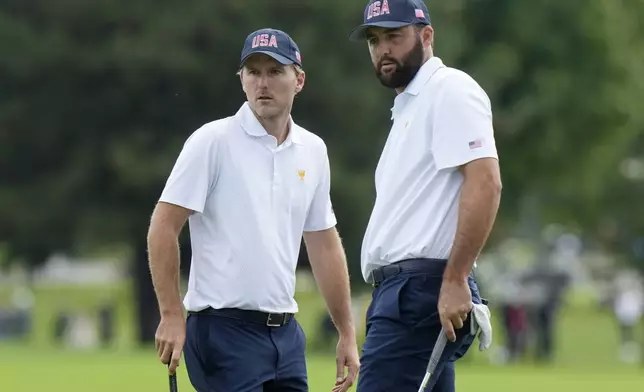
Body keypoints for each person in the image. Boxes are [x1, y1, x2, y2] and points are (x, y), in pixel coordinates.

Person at [147, 27, 360, 392]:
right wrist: (170, 314)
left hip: (287, 336)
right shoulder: (211, 142)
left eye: (275, 71)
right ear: (242, 80)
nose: (263, 83)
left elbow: (323, 243)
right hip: (221, 332)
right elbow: (164, 226)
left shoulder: (313, 149)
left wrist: (346, 332)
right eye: (253, 72)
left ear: (299, 80)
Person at [348, 1, 502, 391]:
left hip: (419, 290)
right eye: (374, 39)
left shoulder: (449, 89)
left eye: (394, 37)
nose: (383, 49)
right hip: (403, 293)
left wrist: (456, 278)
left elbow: (485, 182)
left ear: (426, 36)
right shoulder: (409, 107)